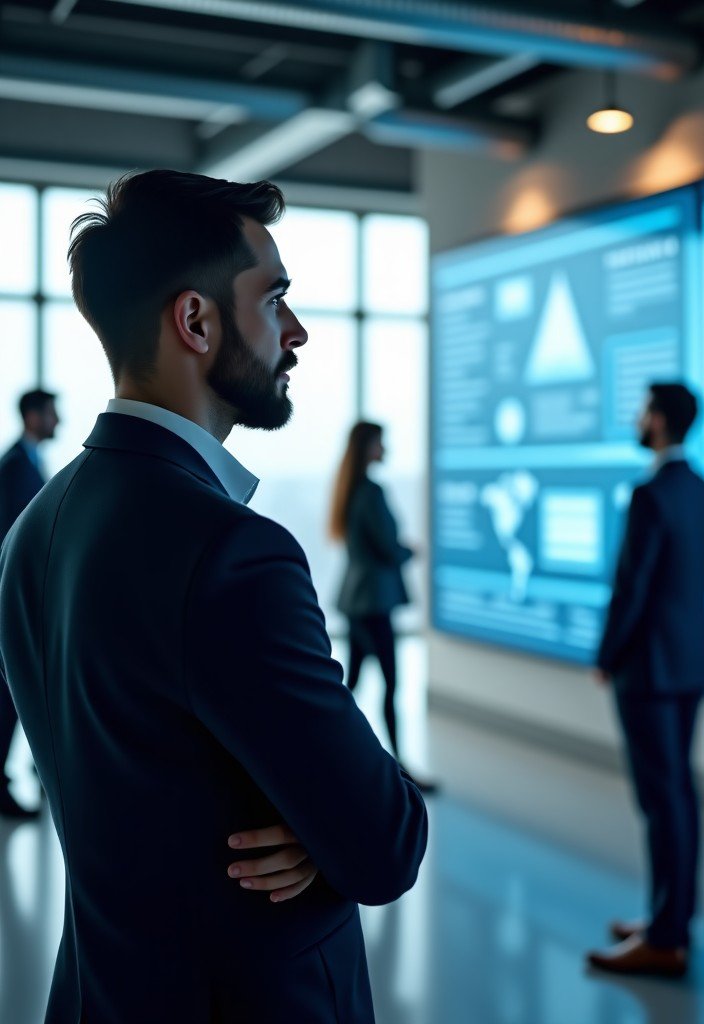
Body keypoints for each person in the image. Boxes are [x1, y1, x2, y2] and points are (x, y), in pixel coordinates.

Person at [0, 170, 428, 1023]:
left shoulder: (35, 527)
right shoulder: (232, 552)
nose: (296, 332)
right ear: (195, 321)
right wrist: (329, 828)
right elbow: (383, 845)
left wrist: (318, 827)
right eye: (274, 299)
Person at [588, 382, 704, 977]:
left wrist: (606, 654)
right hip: (691, 660)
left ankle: (666, 938)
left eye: (644, 410)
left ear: (661, 421)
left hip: (646, 666)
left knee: (660, 799)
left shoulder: (650, 495)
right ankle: (670, 920)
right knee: (678, 797)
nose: (637, 419)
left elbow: (633, 588)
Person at [328, 421, 436, 794]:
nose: (385, 448)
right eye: (380, 442)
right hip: (373, 602)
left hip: (356, 600)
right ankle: (400, 769)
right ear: (368, 446)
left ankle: (333, 754)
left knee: (353, 684)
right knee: (391, 684)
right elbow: (389, 548)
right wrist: (411, 551)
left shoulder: (351, 488)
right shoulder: (371, 492)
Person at [0, 389, 59, 818]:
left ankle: (36, 771)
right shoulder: (15, 468)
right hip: (13, 603)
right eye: (53, 413)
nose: (59, 421)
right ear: (33, 416)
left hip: (23, 600)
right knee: (9, 694)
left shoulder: (27, 463)